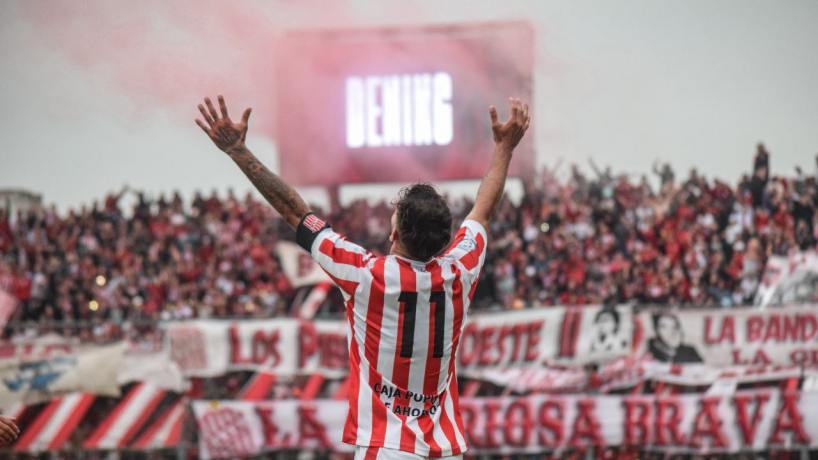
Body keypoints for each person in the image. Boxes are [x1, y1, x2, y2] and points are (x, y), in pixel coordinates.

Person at [195, 95, 530, 459]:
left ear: (394, 233)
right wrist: (504, 148)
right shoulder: (461, 270)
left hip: (385, 447)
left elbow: (295, 213)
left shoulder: (364, 274)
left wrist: (238, 151)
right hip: (445, 449)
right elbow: (483, 210)